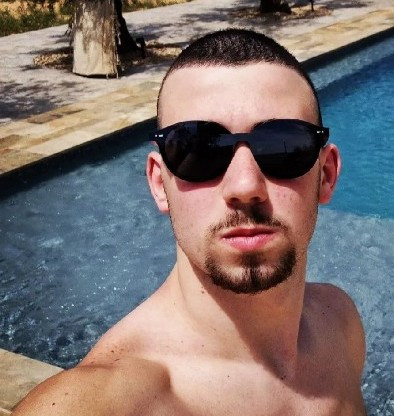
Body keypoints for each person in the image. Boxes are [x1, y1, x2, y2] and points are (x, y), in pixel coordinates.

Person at [13, 29, 366, 415]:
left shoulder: (340, 323)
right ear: (159, 184)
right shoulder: (100, 405)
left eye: (283, 146)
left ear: (326, 174)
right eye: (198, 150)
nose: (245, 186)